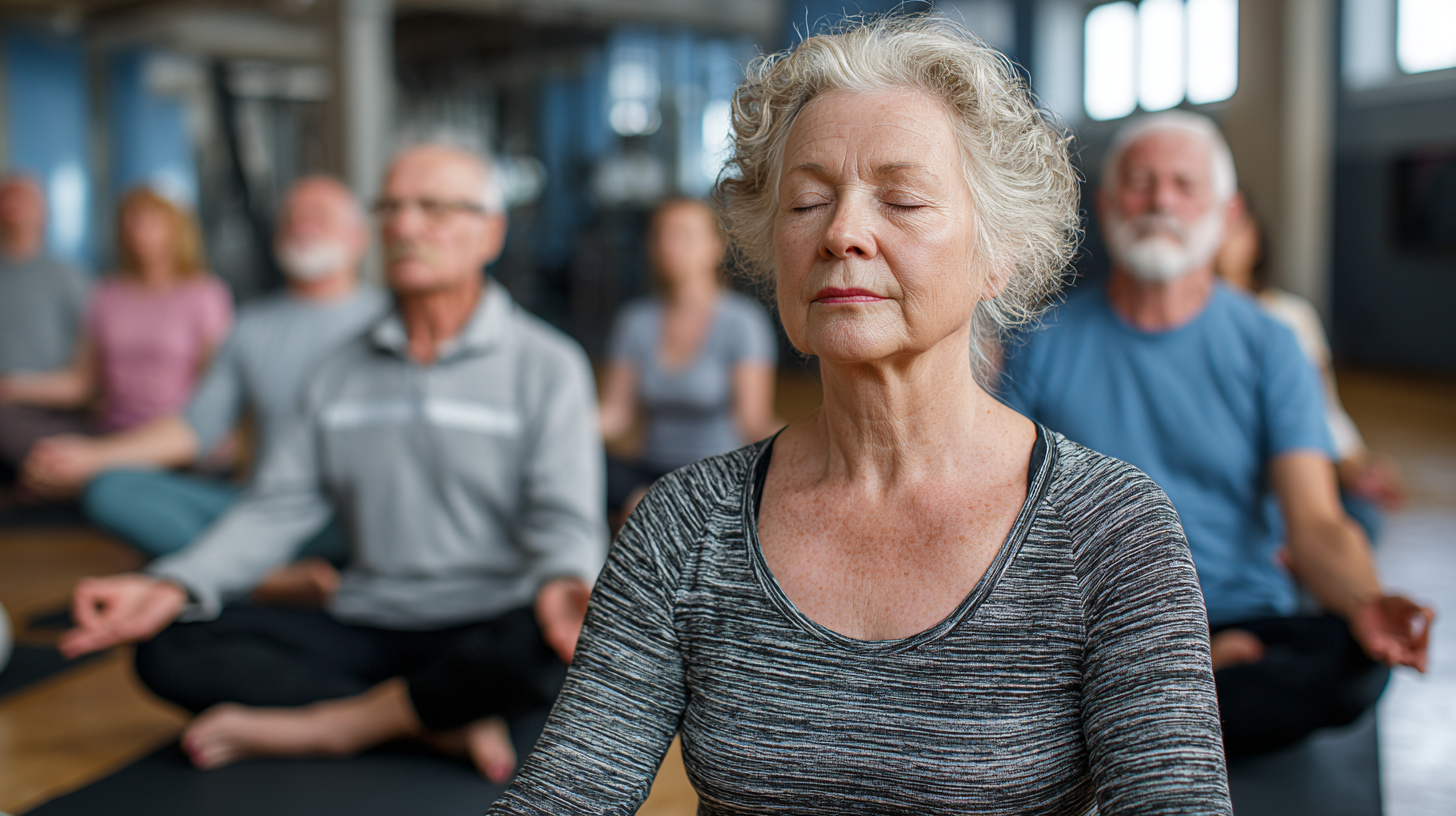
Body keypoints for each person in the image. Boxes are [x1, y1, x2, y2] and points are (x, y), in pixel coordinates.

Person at [490, 18, 1230, 814]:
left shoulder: (1109, 529)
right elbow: (565, 792)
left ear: (998, 252)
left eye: (902, 199)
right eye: (807, 202)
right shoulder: (685, 523)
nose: (842, 233)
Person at [57, 143, 607, 782]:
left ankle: (331, 726)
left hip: (488, 618)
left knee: (545, 648)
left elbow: (564, 515)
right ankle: (431, 717)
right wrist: (172, 584)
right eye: (392, 208)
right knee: (167, 648)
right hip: (370, 615)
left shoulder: (548, 365)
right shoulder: (338, 371)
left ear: (490, 232)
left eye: (433, 209)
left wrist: (567, 579)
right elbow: (277, 505)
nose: (404, 226)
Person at [999, 110, 1434, 759]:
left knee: (1353, 663)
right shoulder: (1042, 343)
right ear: (1109, 203)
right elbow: (1002, 513)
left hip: (1242, 615)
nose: (1161, 201)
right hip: (1102, 620)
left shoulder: (1272, 345)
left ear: (1227, 215)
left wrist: (1364, 600)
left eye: (1183, 184)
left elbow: (1314, 523)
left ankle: (1136, 709)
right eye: (1141, 183)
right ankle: (1183, 688)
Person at [23, 177, 386, 574]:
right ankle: (267, 578)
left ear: (358, 237)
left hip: (353, 512)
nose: (301, 226)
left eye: (317, 216)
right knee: (110, 491)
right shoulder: (251, 326)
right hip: (262, 507)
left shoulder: (390, 322)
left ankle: (231, 568)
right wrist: (92, 457)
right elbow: (195, 429)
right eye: (291, 218)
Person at [0, 188, 232, 469]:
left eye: (150, 221)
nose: (138, 231)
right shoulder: (107, 294)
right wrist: (11, 387)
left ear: (175, 229)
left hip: (170, 437)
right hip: (109, 432)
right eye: (131, 222)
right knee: (17, 431)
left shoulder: (205, 294)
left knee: (96, 479)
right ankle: (81, 472)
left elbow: (217, 387)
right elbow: (81, 384)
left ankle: (85, 475)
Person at [1214, 206, 1405, 541]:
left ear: (1257, 239)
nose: (1223, 237)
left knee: (1361, 519)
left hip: (1299, 463)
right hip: (1239, 478)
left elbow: (1324, 410)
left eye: (1236, 225)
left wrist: (1355, 462)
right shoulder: (1184, 326)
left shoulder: (1290, 317)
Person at [598, 198, 778, 518]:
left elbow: (754, 422)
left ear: (715, 246)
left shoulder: (742, 322)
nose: (669, 245)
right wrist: (553, 424)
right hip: (649, 471)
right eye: (660, 235)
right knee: (587, 471)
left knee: (646, 505)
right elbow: (615, 415)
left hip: (717, 474)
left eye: (683, 234)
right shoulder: (635, 321)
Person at [0, 175, 92, 476]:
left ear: (45, 212)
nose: (12, 203)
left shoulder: (73, 280)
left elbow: (83, 382)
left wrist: (11, 388)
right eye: (6, 195)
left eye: (23, 197)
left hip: (52, 414)